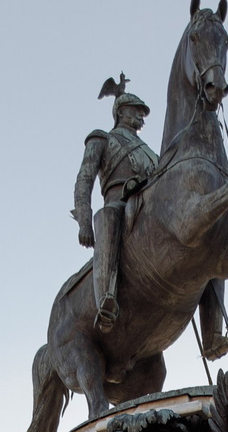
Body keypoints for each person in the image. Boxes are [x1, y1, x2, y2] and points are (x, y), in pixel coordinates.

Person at [74, 77, 159, 334]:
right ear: (121, 112)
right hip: (117, 203)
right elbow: (84, 179)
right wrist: (84, 220)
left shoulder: (152, 154)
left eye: (143, 113)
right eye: (137, 111)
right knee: (110, 215)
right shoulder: (102, 139)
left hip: (148, 207)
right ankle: (106, 298)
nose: (142, 118)